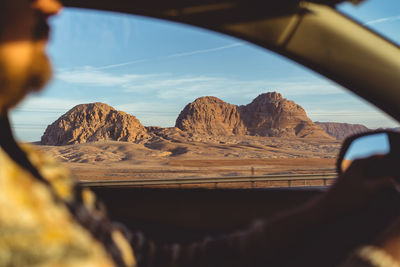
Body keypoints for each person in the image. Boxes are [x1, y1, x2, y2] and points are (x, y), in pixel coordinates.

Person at [0, 0, 399, 266]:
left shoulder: (33, 169)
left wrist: (326, 209)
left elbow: (160, 261)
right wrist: (387, 255)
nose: (52, 6)